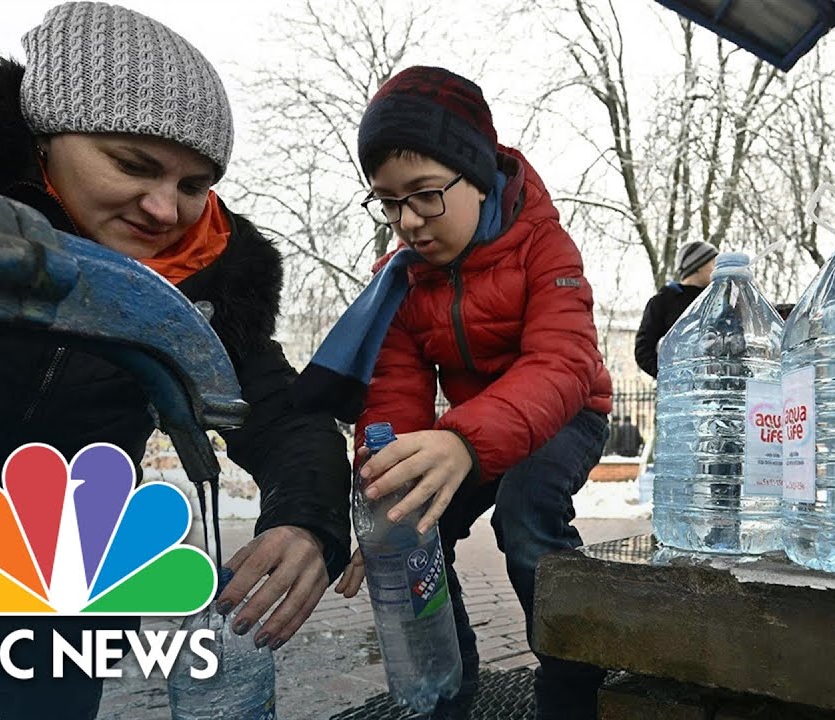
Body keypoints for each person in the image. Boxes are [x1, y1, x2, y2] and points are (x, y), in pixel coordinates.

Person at [0, 3, 350, 716]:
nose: (165, 210)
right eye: (132, 165)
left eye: (194, 185)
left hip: (67, 568)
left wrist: (309, 519)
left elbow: (281, 414)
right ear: (46, 135)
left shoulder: (212, 279)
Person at [306, 66, 613, 720]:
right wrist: (384, 514)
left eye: (424, 195)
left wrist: (463, 441)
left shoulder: (543, 245)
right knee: (418, 529)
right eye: (388, 203)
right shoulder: (401, 284)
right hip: (471, 430)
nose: (408, 222)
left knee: (527, 517)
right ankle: (448, 687)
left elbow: (564, 363)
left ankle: (574, 692)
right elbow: (392, 399)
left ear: (475, 176)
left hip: (568, 413)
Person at [634, 240, 719, 378]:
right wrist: (670, 376)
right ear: (697, 265)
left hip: (715, 389)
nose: (717, 268)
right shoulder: (663, 301)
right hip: (679, 394)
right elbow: (643, 350)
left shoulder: (718, 300)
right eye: (713, 263)